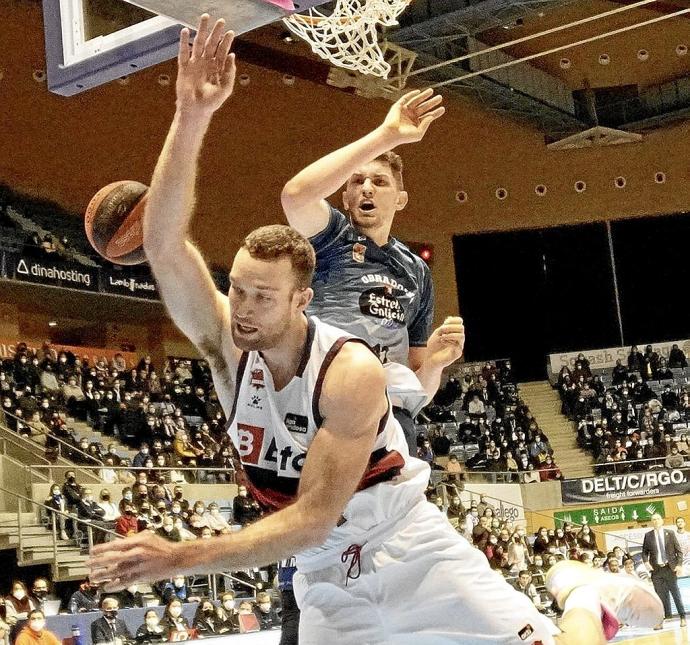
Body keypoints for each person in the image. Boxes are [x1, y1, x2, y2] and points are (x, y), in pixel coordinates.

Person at [88, 15, 662, 645]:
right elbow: (166, 244)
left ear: (302, 300)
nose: (242, 309)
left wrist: (179, 555)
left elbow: (311, 518)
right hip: (324, 574)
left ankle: (580, 593)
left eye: (261, 296)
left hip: (410, 552)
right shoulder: (231, 350)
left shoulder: (351, 371)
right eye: (238, 291)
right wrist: (190, 111)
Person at [642, 513, 687, 628]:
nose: (656, 521)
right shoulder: (648, 535)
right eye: (653, 519)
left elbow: (679, 552)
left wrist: (679, 565)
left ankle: (682, 617)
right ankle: (660, 621)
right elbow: (644, 552)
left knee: (675, 594)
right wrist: (646, 562)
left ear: (662, 521)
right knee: (659, 597)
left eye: (657, 519)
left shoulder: (670, 533)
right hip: (656, 571)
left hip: (669, 568)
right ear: (652, 522)